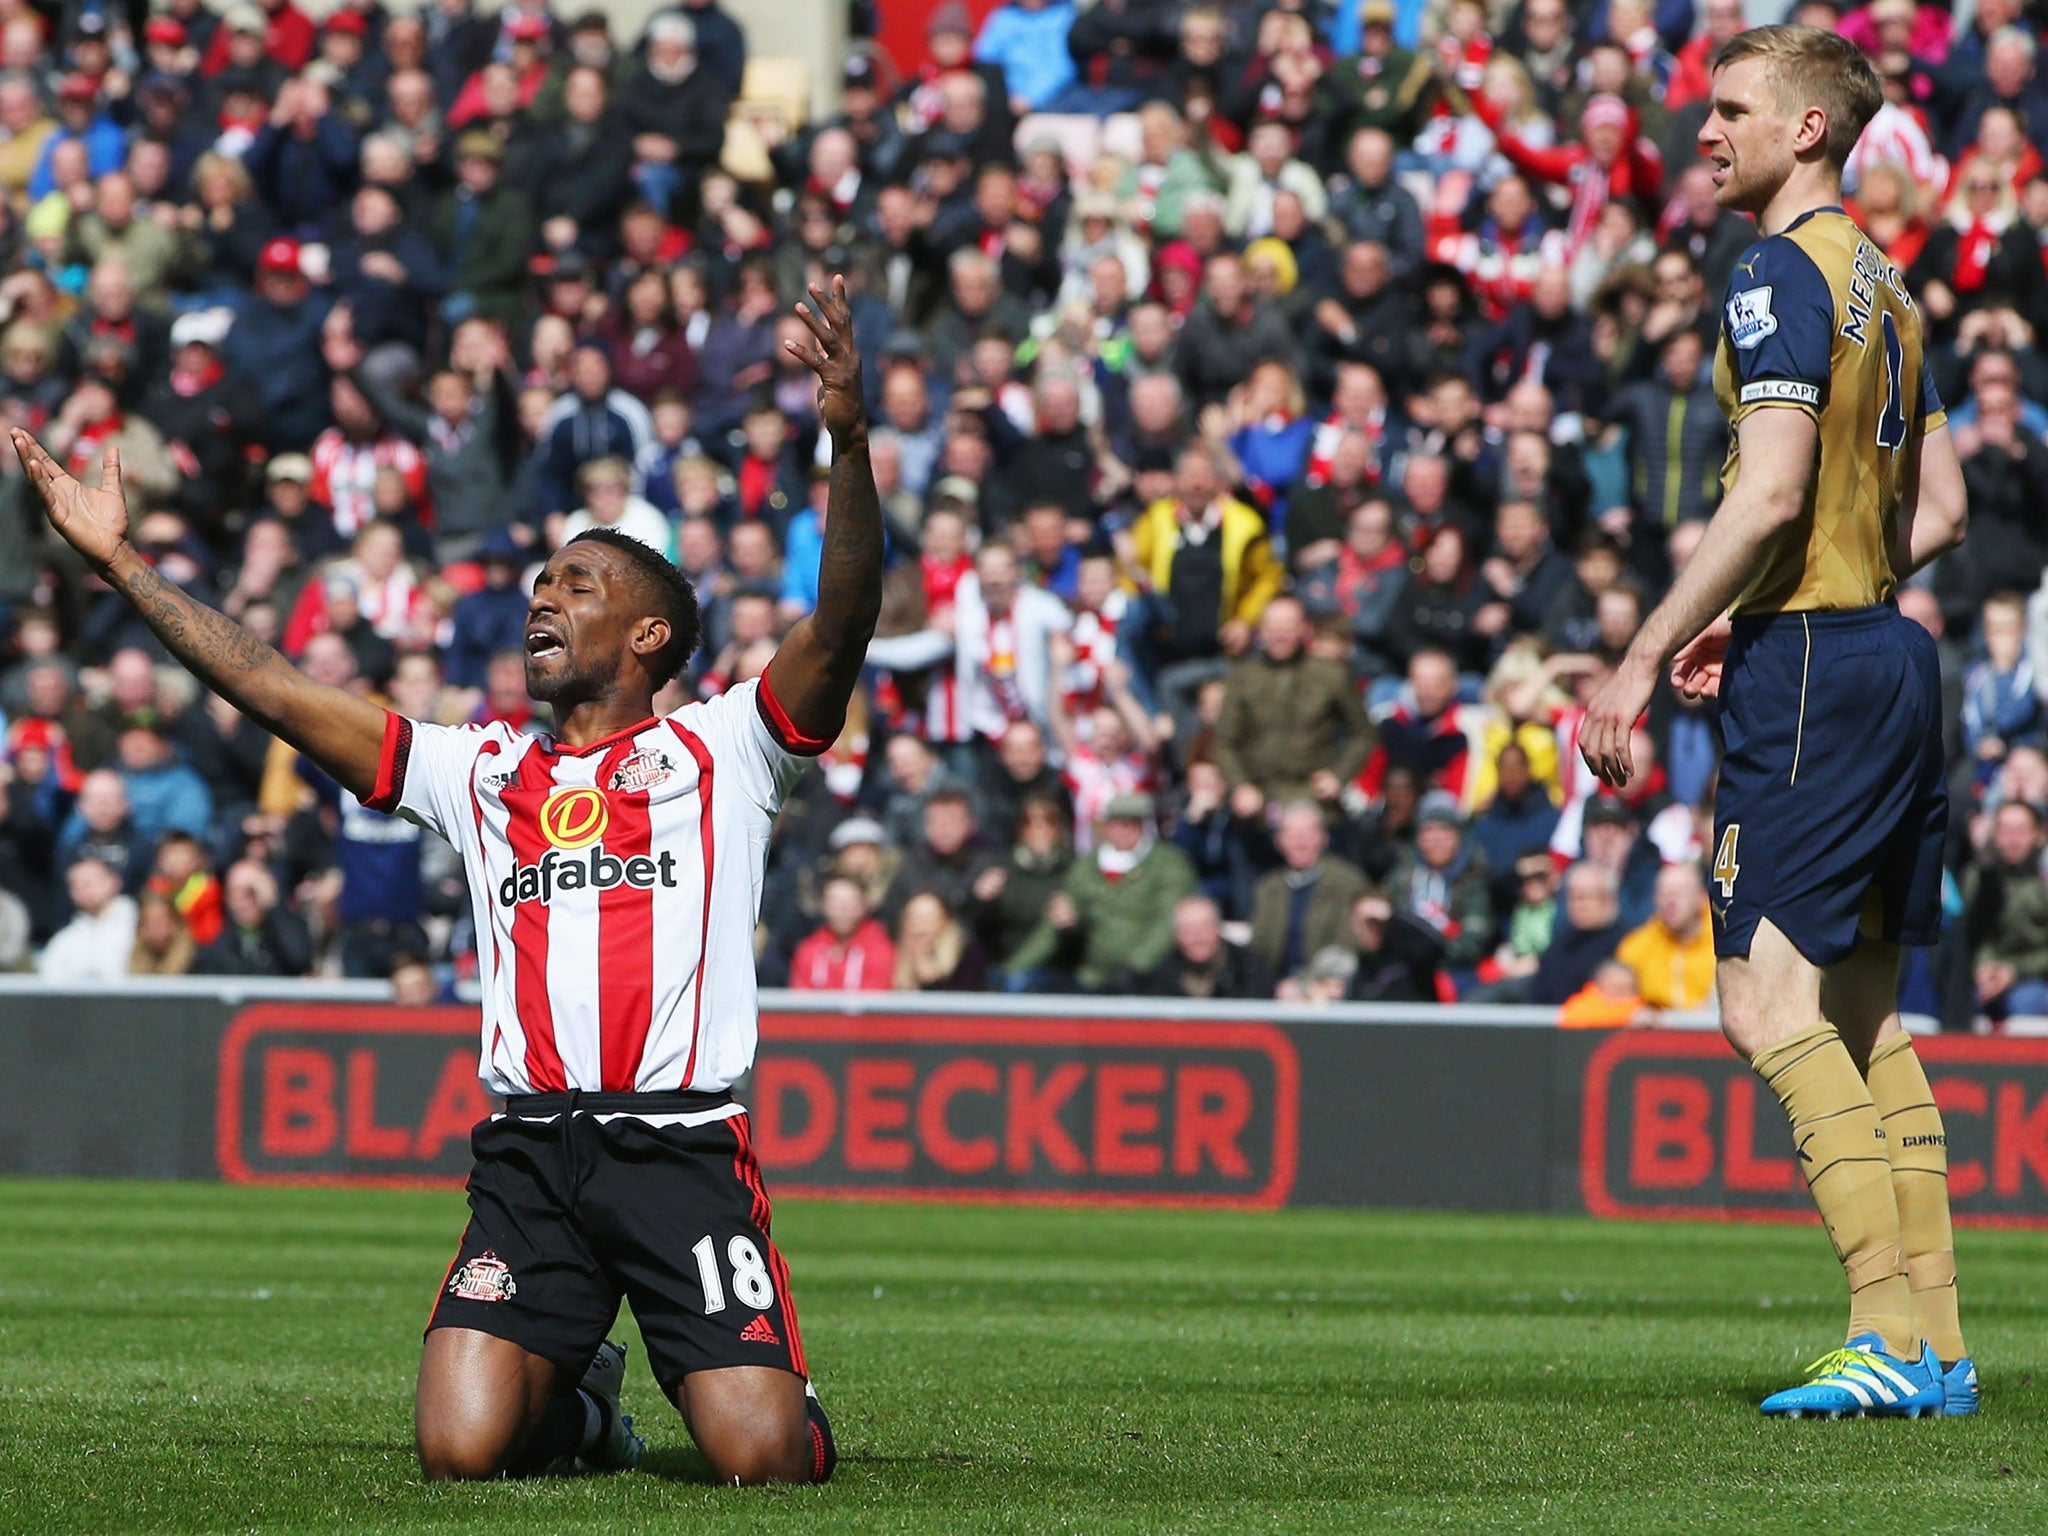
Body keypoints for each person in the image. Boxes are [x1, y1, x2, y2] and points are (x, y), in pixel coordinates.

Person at [6, 273, 884, 1483]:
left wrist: (845, 439)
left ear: (649, 637)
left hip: (679, 1150)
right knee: (458, 1452)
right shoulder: (476, 772)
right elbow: (271, 687)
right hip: (530, 1152)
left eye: (579, 585)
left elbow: (838, 624)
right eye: (540, 582)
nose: (543, 598)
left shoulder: (724, 748)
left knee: (764, 1462)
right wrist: (122, 568)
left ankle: (772, 1387)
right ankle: (590, 1407)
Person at [1577, 27, 1973, 1419]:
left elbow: (1767, 489)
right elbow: (1943, 512)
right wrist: (1784, 597)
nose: (1706, 131)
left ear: (1807, 129)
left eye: (1731, 109)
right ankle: (1935, 1338)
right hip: (1884, 655)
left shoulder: (1773, 275)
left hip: (1809, 673)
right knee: (1864, 1008)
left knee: (1761, 1004)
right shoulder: (1890, 284)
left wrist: (1639, 653)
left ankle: (1883, 1336)